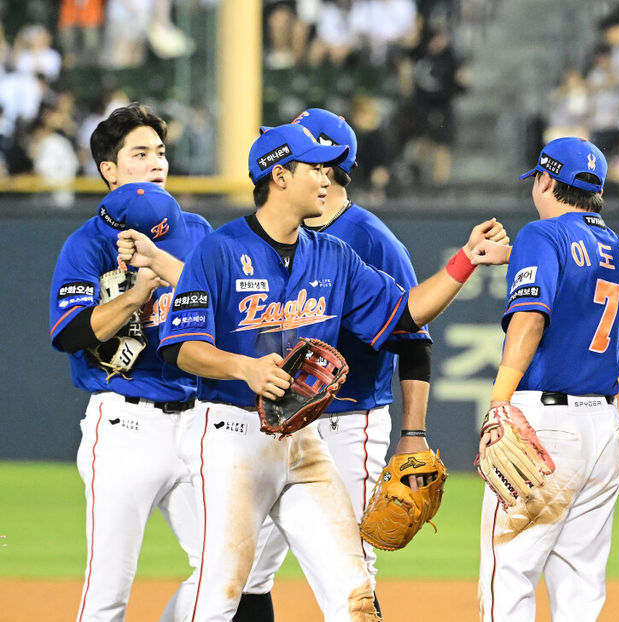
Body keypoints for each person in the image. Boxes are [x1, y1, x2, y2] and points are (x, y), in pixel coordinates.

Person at [156, 123, 507, 621]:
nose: (328, 178)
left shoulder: (335, 256)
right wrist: (244, 368)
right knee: (219, 591)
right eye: (315, 168)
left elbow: (406, 315)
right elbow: (180, 348)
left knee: (353, 591)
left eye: (328, 168)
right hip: (232, 435)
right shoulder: (219, 249)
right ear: (278, 175)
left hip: (305, 441)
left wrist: (465, 261)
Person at [238, 108, 439, 619]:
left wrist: (412, 434)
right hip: (276, 423)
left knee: (351, 568)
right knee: (243, 570)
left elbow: (413, 340)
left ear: (327, 165)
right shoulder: (275, 232)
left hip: (349, 424)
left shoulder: (371, 240)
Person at [49, 103, 209, 622]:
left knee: (227, 571)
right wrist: (136, 294)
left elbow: (227, 311)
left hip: (196, 423)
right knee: (106, 597)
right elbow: (70, 333)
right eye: (139, 154)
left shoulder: (199, 231)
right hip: (124, 424)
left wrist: (167, 269)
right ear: (110, 171)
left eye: (160, 152)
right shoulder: (87, 246)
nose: (156, 163)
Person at [475, 137, 619, 622]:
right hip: (604, 430)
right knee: (580, 586)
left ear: (546, 180)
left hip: (548, 424)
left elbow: (530, 320)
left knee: (510, 574)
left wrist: (500, 398)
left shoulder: (541, 236)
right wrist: (519, 258)